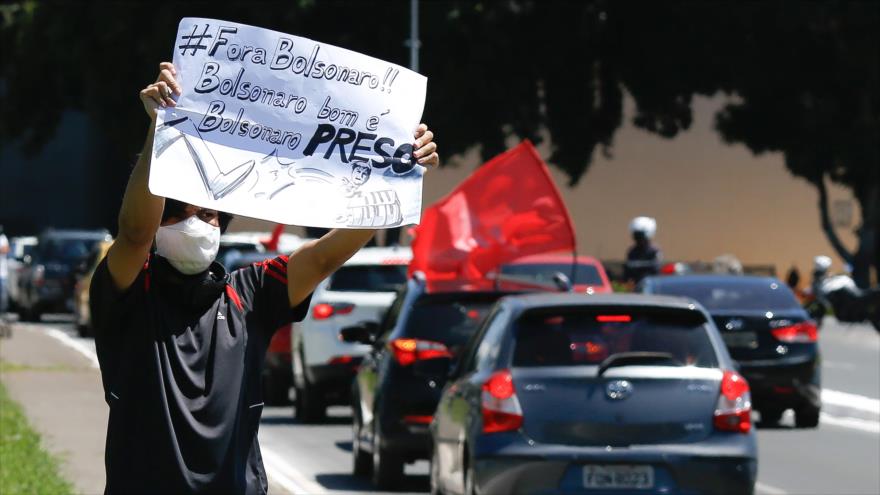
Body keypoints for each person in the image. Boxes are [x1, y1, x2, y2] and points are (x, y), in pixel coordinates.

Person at [89, 62, 439, 494]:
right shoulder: (129, 292)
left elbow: (323, 257)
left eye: (209, 213)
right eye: (180, 213)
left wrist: (398, 177)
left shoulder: (247, 294)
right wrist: (163, 130)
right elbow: (135, 233)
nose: (198, 223)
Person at [623, 216, 662, 283]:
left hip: (651, 284)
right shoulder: (632, 252)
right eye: (636, 236)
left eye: (640, 236)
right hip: (636, 285)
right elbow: (628, 273)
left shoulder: (654, 251)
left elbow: (656, 270)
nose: (639, 240)